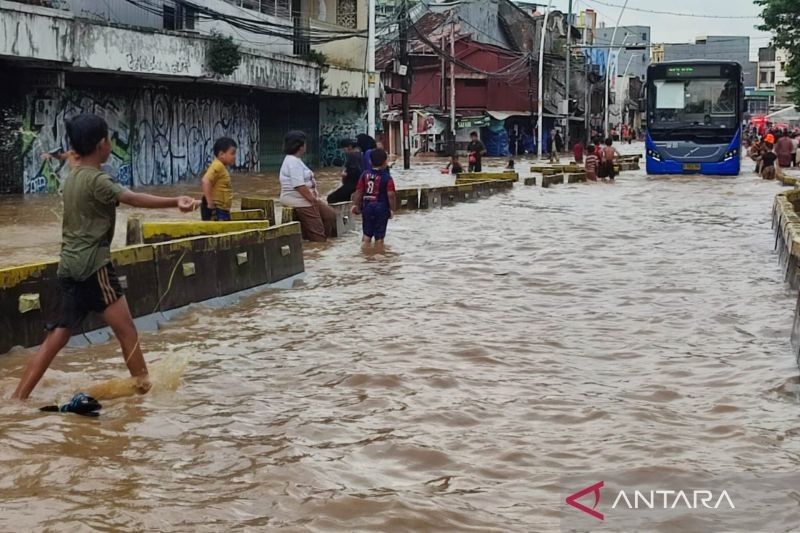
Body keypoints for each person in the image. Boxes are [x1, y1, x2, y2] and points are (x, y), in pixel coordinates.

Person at [12, 113, 197, 400]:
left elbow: (74, 159)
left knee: (56, 337)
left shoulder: (73, 176)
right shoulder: (99, 180)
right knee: (128, 332)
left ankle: (17, 399)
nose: (110, 143)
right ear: (101, 145)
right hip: (94, 267)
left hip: (69, 266)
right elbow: (133, 198)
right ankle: (144, 393)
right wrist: (176, 201)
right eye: (109, 138)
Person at [279, 130, 336, 242]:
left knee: (330, 215)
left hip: (305, 199)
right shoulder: (293, 162)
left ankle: (310, 240)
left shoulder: (295, 160)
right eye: (305, 143)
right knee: (318, 237)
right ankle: (317, 244)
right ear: (300, 146)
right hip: (301, 201)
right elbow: (299, 185)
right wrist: (312, 200)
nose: (306, 146)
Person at [352, 149, 396, 249]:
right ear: (385, 162)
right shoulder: (387, 178)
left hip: (367, 207)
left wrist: (355, 205)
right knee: (379, 237)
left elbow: (359, 192)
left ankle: (365, 255)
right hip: (381, 208)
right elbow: (391, 195)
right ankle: (378, 255)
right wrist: (392, 209)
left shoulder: (364, 175)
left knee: (366, 235)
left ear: (370, 162)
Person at [200, 137, 237, 221]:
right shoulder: (218, 165)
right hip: (218, 210)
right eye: (232, 153)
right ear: (221, 154)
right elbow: (205, 180)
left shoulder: (221, 167)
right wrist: (210, 204)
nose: (234, 156)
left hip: (222, 210)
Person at [327, 139, 363, 204]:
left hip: (352, 185)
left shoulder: (353, 156)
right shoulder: (358, 155)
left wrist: (346, 174)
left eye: (344, 149)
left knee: (331, 198)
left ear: (349, 147)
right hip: (354, 185)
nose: (344, 151)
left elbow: (356, 172)